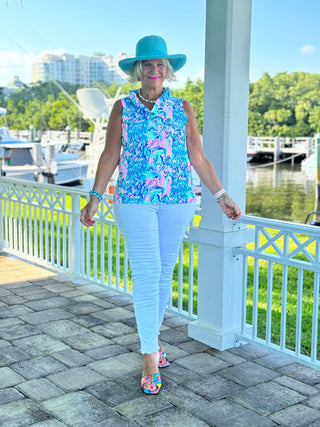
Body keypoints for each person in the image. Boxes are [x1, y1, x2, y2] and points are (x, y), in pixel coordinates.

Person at [80, 35, 241, 395]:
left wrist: (221, 195)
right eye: (148, 64)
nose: (155, 70)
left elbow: (197, 157)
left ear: (167, 70)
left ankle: (152, 338)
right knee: (146, 273)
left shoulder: (183, 107)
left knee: (163, 273)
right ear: (138, 70)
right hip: (134, 200)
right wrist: (94, 197)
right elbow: (110, 156)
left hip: (177, 200)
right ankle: (149, 354)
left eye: (160, 65)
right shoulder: (122, 107)